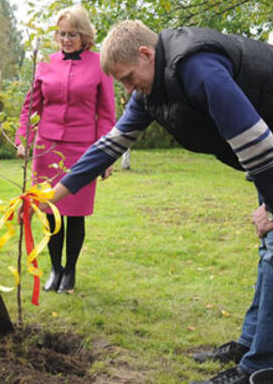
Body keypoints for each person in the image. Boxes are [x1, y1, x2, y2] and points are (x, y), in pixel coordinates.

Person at [39, 20, 273, 384]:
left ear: (147, 54)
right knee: (268, 250)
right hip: (268, 155)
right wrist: (55, 194)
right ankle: (249, 345)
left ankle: (259, 367)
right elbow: (110, 145)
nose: (130, 89)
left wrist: (272, 206)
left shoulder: (195, 66)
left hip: (268, 151)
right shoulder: (153, 88)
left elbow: (257, 143)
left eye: (130, 78)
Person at [15, 5, 115, 294]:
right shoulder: (45, 62)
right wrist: (23, 138)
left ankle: (70, 272)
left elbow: (107, 115)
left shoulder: (100, 64)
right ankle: (55, 269)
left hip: (84, 151)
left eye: (73, 34)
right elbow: (31, 106)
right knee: (49, 211)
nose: (67, 39)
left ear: (85, 36)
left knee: (76, 213)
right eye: (62, 34)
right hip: (47, 149)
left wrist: (106, 157)